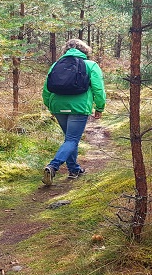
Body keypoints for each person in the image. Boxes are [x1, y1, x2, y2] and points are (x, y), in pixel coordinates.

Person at [42, 39, 106, 186]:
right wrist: (100, 107)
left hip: (58, 106)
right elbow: (98, 89)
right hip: (79, 108)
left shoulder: (55, 65)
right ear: (85, 51)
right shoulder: (91, 65)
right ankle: (53, 166)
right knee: (72, 139)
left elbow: (46, 90)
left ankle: (73, 169)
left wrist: (50, 106)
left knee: (70, 139)